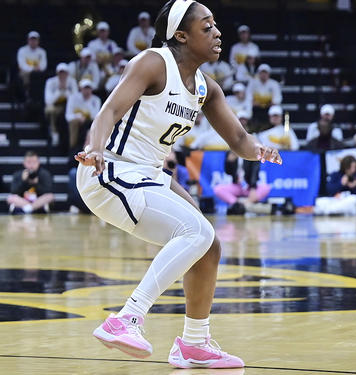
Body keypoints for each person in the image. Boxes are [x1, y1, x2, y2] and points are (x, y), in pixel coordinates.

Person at [73, 0, 281, 369]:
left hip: (148, 174)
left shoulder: (206, 88)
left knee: (209, 245)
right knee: (194, 230)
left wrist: (259, 149)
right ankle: (127, 318)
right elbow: (108, 111)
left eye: (216, 26)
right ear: (181, 35)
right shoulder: (153, 62)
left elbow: (238, 139)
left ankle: (194, 343)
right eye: (208, 27)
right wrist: (94, 148)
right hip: (110, 167)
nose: (218, 33)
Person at [45, 62, 78, 147]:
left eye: (64, 73)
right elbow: (48, 101)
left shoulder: (72, 82)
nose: (62, 75)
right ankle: (54, 132)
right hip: (56, 106)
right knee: (50, 110)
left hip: (69, 107)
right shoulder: (51, 82)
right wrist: (59, 91)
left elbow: (76, 99)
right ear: (57, 73)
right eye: (60, 72)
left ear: (67, 73)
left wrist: (66, 91)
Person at [66, 79, 101, 152]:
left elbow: (96, 116)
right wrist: (79, 117)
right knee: (73, 123)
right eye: (85, 88)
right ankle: (72, 146)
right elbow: (68, 116)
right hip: (76, 122)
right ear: (80, 89)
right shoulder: (73, 98)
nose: (87, 90)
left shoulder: (96, 100)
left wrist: (85, 116)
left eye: (89, 88)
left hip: (90, 123)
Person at [246, 63, 282, 127]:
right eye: (262, 72)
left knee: (275, 110)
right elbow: (248, 96)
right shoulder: (253, 83)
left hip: (269, 108)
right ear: (259, 73)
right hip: (255, 108)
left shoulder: (274, 84)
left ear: (269, 74)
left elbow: (277, 99)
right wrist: (253, 102)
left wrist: (269, 104)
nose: (264, 74)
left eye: (265, 72)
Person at [16, 31, 47, 97]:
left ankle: (40, 95)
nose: (33, 41)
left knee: (42, 76)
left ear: (38, 41)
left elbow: (44, 65)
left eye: (35, 40)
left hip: (38, 73)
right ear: (28, 40)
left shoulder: (42, 51)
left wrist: (38, 69)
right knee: (24, 74)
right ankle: (27, 94)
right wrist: (33, 69)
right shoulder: (22, 50)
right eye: (31, 39)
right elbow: (21, 65)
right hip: (26, 73)